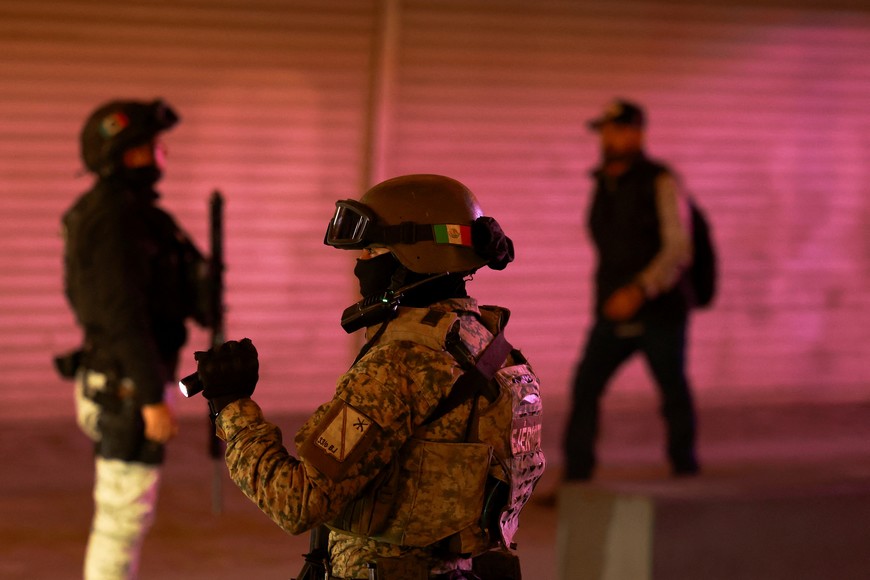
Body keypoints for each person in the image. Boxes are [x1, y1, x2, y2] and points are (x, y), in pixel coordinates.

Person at [190, 174, 545, 579]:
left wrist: (232, 407)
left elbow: (297, 501)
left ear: (416, 256)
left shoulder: (399, 364)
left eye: (373, 250)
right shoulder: (492, 347)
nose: (361, 265)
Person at [62, 99, 210, 579]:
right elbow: (121, 314)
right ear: (121, 155)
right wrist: (151, 398)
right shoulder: (114, 218)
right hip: (126, 386)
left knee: (123, 515)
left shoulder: (133, 214)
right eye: (146, 146)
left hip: (123, 378)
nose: (158, 153)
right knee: (120, 519)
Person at [563, 99, 699, 481]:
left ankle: (685, 470)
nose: (607, 138)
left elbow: (678, 247)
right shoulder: (604, 182)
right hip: (611, 308)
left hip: (659, 309)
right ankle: (576, 479)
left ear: (636, 133)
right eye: (604, 130)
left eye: (616, 129)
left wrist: (640, 289)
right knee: (586, 386)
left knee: (672, 389)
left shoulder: (660, 180)